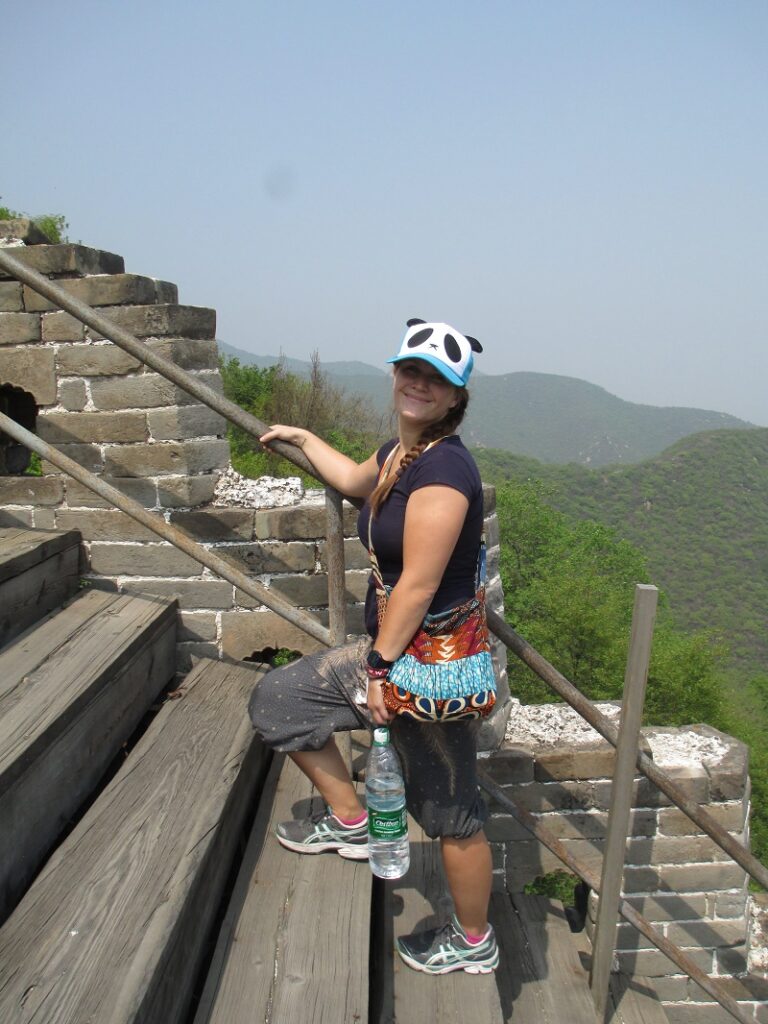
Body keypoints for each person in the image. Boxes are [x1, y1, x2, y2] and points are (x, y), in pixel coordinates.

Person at [248, 319, 499, 975]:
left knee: (450, 811)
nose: (418, 384)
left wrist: (379, 668)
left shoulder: (445, 469)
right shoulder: (401, 454)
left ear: (455, 397)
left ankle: (474, 941)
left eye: (435, 379)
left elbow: (418, 584)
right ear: (395, 374)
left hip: (429, 667)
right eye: (410, 370)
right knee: (281, 700)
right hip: (388, 654)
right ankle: (351, 819)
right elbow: (357, 481)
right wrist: (304, 439)